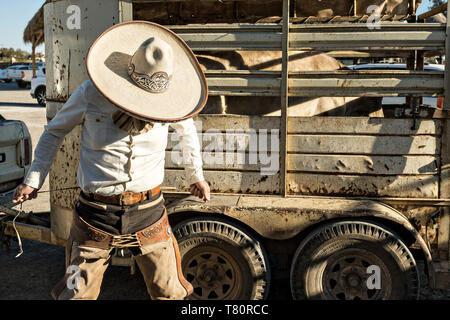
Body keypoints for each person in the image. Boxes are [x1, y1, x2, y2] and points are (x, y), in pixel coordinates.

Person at [12, 21, 210, 300]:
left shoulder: (172, 103)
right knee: (75, 296)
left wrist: (196, 176)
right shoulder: (90, 93)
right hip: (94, 218)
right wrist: (33, 180)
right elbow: (54, 131)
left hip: (149, 213)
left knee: (170, 294)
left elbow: (188, 131)